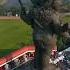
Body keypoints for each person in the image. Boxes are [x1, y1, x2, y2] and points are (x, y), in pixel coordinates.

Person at [19, 0, 70, 70]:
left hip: (36, 37)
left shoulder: (34, 11)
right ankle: (45, 67)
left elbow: (27, 21)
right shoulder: (53, 14)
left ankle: (37, 65)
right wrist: (65, 30)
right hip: (48, 40)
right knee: (45, 55)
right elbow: (58, 30)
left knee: (37, 51)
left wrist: (22, 12)